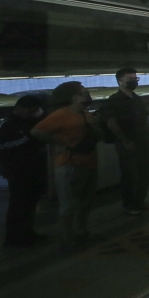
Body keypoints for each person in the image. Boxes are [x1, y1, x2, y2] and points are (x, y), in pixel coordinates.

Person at [31, 82, 101, 249]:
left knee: (86, 202)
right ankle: (66, 238)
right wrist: (59, 142)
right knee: (69, 204)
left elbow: (99, 136)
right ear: (74, 97)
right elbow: (37, 131)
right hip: (69, 164)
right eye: (84, 92)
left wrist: (95, 125)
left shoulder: (86, 114)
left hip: (88, 162)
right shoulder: (61, 115)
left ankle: (81, 232)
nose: (87, 95)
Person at [0, 95, 47, 247]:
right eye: (31, 111)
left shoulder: (29, 122)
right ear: (20, 109)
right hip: (16, 170)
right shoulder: (5, 124)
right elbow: (0, 146)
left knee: (31, 203)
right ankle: (13, 237)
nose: (33, 115)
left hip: (34, 168)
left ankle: (28, 231)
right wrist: (28, 138)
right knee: (18, 204)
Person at [104, 68, 149, 215]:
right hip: (128, 145)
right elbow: (112, 123)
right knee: (130, 176)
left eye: (136, 79)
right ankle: (129, 205)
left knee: (146, 173)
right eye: (130, 79)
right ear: (120, 81)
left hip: (144, 142)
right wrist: (125, 140)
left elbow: (144, 119)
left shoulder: (137, 98)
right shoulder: (114, 100)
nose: (134, 81)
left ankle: (140, 201)